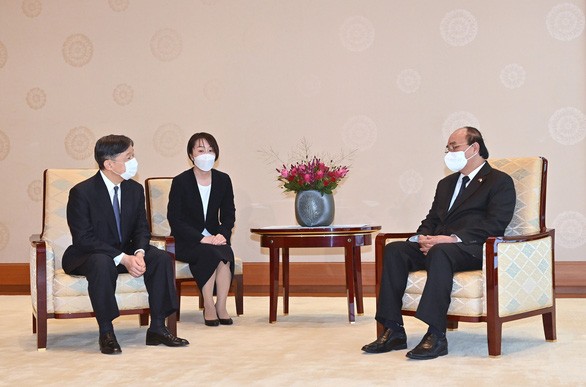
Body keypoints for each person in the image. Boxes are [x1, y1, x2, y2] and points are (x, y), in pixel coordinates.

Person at [362, 126, 516, 360]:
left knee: (441, 252)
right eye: (448, 148)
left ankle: (436, 335)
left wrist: (452, 239)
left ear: (474, 148)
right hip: (439, 246)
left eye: (455, 147)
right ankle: (393, 329)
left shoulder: (499, 181)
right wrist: (422, 237)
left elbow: (495, 224)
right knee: (394, 250)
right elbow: (432, 218)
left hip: (473, 248)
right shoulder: (446, 184)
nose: (450, 152)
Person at [62, 134, 189, 355]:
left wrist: (139, 253)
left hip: (127, 251)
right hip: (89, 254)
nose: (133, 161)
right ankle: (107, 332)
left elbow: (142, 228)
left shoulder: (134, 189)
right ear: (109, 164)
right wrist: (123, 258)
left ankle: (158, 327)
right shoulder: (82, 193)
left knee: (160, 258)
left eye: (133, 155)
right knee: (102, 263)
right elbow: (83, 238)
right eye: (128, 157)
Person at [167, 132, 236, 326]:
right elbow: (175, 219)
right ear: (191, 155)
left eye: (211, 150)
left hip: (216, 238)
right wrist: (200, 238)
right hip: (187, 240)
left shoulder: (223, 180)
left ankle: (221, 305)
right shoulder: (180, 181)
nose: (207, 154)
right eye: (201, 150)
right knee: (209, 253)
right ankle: (209, 305)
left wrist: (223, 234)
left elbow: (229, 214)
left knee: (224, 254)